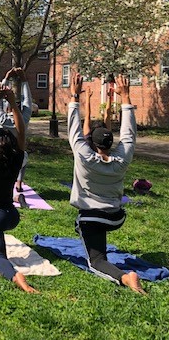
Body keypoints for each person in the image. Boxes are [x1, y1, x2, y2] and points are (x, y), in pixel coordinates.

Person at [68, 72, 144, 294]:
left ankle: (125, 278)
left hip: (93, 217)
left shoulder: (84, 155)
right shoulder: (121, 160)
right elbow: (129, 135)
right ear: (111, 144)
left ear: (91, 142)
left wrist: (75, 95)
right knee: (93, 224)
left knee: (96, 261)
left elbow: (73, 128)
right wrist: (125, 97)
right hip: (116, 217)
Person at [0, 83, 38, 293]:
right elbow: (21, 132)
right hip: (11, 216)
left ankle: (16, 277)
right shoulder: (16, 160)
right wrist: (13, 104)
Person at [0, 67, 33, 193]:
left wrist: (6, 78)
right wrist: (24, 80)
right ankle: (19, 183)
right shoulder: (24, 119)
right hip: (16, 160)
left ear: (7, 109)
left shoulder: (0, 118)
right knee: (24, 155)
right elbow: (28, 101)